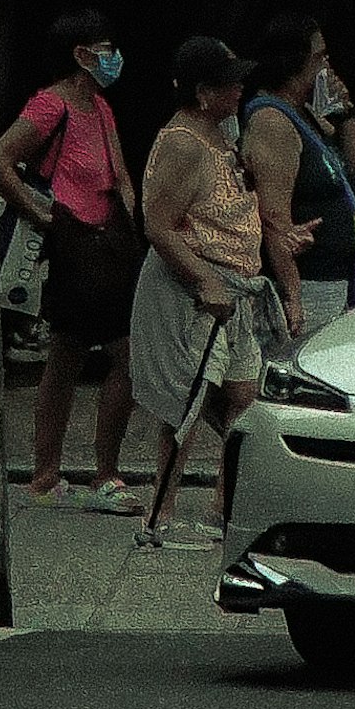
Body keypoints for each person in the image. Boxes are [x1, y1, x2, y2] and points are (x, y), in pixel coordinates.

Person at [131, 33, 280, 543]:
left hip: (236, 290)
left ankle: (222, 510)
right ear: (202, 92)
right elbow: (157, 223)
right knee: (186, 407)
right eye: (229, 83)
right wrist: (203, 279)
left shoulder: (221, 133)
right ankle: (157, 517)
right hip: (197, 292)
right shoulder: (181, 142)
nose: (240, 90)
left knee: (244, 400)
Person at [0, 7, 144, 507]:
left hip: (109, 243)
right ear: (81, 55)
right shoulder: (48, 106)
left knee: (84, 358)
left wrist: (130, 222)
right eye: (105, 49)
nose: (113, 58)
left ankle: (69, 472)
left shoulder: (100, 108)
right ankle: (70, 473)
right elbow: (1, 159)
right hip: (72, 246)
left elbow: (118, 171)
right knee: (86, 357)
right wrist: (41, 214)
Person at [245, 13, 355, 321]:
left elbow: (351, 168)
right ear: (293, 62)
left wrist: (344, 113)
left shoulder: (306, 114)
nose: (326, 65)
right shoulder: (272, 121)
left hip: (336, 278)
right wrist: (293, 297)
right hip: (310, 283)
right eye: (319, 57)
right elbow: (274, 217)